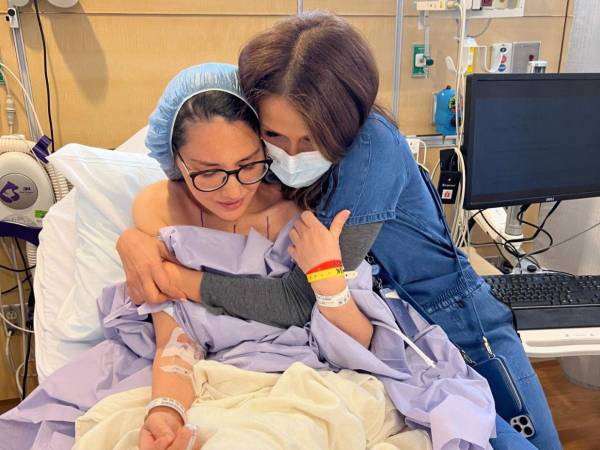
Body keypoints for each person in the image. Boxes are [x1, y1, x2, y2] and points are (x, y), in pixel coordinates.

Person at [117, 12, 561, 450]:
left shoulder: (370, 152)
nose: (290, 157)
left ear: (343, 126)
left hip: (448, 318)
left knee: (520, 441)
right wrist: (132, 241)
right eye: (273, 136)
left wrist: (176, 278)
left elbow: (298, 299)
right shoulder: (255, 174)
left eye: (311, 140)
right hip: (377, 330)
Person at [136, 62, 373, 449]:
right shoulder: (161, 211)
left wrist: (329, 282)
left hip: (316, 380)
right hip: (223, 387)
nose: (232, 191)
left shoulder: (303, 211)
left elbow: (362, 340)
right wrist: (165, 411)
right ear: (176, 161)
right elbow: (175, 338)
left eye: (248, 165)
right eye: (207, 172)